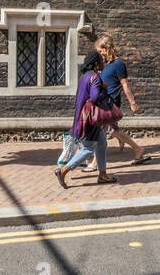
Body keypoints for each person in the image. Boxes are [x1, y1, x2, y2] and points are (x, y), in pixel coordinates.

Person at [54, 51, 116, 186]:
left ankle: (103, 174)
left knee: (102, 144)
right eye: (101, 60)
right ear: (95, 63)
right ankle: (63, 170)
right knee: (88, 149)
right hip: (90, 121)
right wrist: (104, 89)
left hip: (82, 117)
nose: (103, 63)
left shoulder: (83, 76)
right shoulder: (95, 77)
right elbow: (95, 97)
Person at [87, 35, 148, 167]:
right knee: (110, 131)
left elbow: (125, 85)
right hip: (102, 102)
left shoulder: (118, 65)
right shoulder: (102, 65)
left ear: (107, 49)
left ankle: (95, 163)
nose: (99, 54)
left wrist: (133, 103)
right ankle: (137, 149)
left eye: (100, 51)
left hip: (111, 103)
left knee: (108, 130)